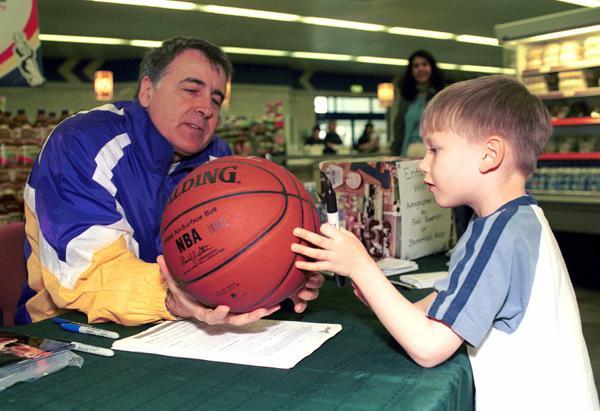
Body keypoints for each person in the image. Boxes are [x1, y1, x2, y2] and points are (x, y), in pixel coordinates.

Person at [291, 76, 598, 410]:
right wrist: (377, 290)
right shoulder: (516, 220)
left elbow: (428, 347)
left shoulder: (499, 235)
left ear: (489, 155)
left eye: (435, 149)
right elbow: (444, 301)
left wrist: (361, 266)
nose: (423, 163)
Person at [16, 36, 323, 327]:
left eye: (216, 99)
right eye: (192, 90)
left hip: (181, 327)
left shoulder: (219, 159)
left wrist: (279, 275)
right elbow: (86, 276)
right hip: (67, 331)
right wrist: (176, 299)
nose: (207, 107)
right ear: (148, 91)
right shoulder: (81, 143)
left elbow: (225, 254)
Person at [391, 50, 444, 157]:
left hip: (435, 155)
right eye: (416, 66)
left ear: (432, 68)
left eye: (424, 64)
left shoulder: (441, 96)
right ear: (411, 71)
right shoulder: (405, 98)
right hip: (408, 153)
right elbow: (398, 129)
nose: (420, 69)